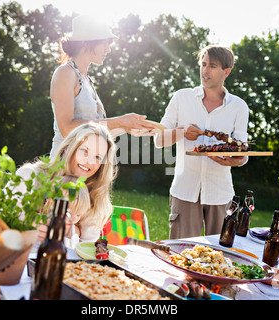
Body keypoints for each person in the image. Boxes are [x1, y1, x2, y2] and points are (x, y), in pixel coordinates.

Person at [154, 45, 249, 239]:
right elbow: (158, 139)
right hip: (185, 191)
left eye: (212, 66)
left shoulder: (239, 107)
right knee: (180, 255)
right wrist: (181, 132)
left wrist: (234, 160)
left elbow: (243, 153)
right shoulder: (181, 98)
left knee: (220, 258)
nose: (205, 71)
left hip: (220, 194)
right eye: (203, 64)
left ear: (226, 72)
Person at [49, 14, 155, 158]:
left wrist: (125, 127)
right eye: (105, 43)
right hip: (64, 166)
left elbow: (94, 129)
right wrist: (120, 121)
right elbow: (67, 129)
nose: (108, 49)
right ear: (88, 42)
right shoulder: (65, 73)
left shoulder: (87, 80)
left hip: (85, 167)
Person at [15, 122, 118, 246]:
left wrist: (72, 230)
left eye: (97, 157)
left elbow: (86, 245)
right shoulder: (30, 176)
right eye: (84, 150)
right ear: (70, 147)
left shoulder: (96, 198)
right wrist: (27, 226)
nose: (89, 161)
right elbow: (0, 218)